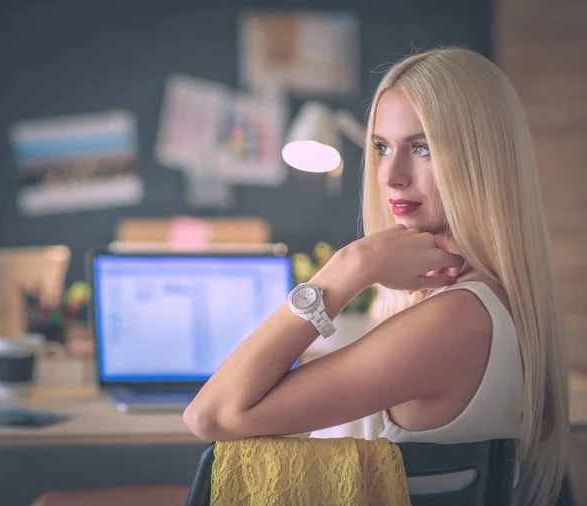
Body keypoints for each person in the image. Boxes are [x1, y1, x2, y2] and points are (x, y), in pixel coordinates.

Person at [183, 47, 569, 506]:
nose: (391, 175)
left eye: (421, 147)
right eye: (382, 147)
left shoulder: (456, 319)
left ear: (482, 158)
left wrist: (347, 269)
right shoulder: (485, 300)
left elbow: (211, 415)